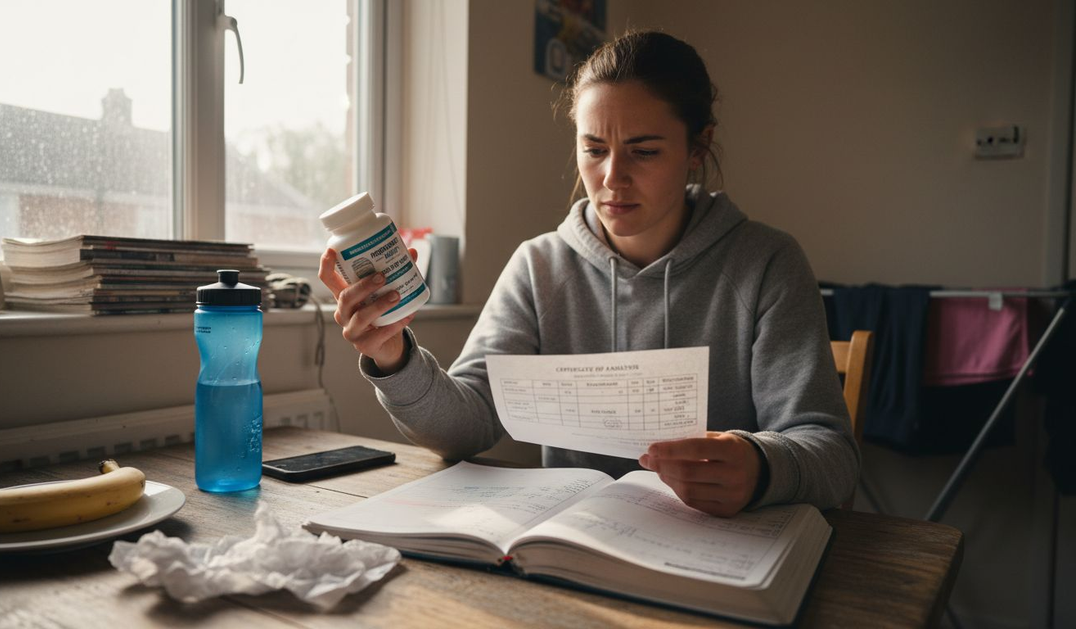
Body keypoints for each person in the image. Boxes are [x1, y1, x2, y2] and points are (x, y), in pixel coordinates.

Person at [318, 30, 859, 516]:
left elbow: (831, 455)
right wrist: (392, 355)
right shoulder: (540, 266)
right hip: (573, 544)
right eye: (593, 149)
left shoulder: (766, 263)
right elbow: (466, 426)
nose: (612, 179)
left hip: (721, 553)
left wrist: (761, 465)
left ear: (698, 148)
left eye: (643, 152)